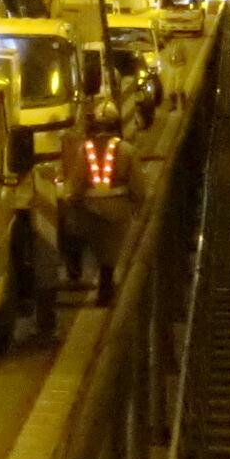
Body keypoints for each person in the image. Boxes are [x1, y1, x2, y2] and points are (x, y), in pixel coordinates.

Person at [75, 99, 133, 306]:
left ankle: (102, 284)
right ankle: (107, 285)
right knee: (112, 250)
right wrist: (138, 205)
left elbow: (77, 182)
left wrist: (75, 202)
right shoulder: (126, 149)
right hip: (118, 207)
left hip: (91, 208)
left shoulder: (85, 149)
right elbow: (137, 184)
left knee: (99, 249)